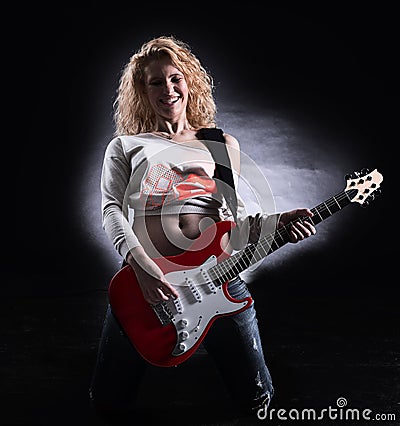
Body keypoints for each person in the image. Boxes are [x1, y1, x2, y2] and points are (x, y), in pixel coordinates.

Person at [89, 35, 316, 419]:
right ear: (141, 91)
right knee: (109, 399)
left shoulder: (220, 143)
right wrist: (141, 267)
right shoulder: (126, 145)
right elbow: (111, 209)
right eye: (155, 82)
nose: (168, 89)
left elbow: (235, 220)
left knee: (255, 398)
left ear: (189, 81)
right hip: (149, 281)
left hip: (218, 279)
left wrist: (281, 223)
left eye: (175, 78)